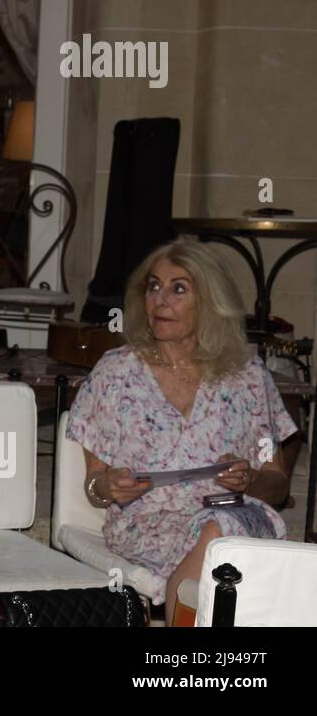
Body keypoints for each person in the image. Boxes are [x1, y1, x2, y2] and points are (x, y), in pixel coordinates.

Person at [66, 239, 298, 618]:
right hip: (148, 525)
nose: (160, 300)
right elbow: (94, 487)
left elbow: (277, 483)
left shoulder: (247, 376)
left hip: (235, 514)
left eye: (178, 289)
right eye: (153, 286)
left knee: (220, 528)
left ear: (208, 302)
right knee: (218, 541)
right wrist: (111, 485)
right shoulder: (117, 373)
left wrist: (248, 480)